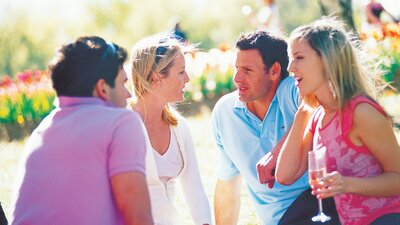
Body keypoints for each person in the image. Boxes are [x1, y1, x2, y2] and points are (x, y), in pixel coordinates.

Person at [9, 36, 153, 225]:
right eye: (123, 83)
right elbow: (139, 219)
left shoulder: (42, 129)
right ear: (102, 87)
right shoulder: (122, 122)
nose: (128, 94)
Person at [276, 17, 400, 225]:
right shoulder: (318, 116)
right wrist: (302, 114)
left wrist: (347, 184)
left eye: (298, 57)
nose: (290, 67)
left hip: (385, 218)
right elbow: (284, 175)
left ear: (327, 59)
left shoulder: (360, 113)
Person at [211, 30, 336, 225]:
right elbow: (227, 187)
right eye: (237, 68)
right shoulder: (224, 112)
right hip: (281, 219)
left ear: (275, 71)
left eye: (247, 70)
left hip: (319, 204)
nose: (237, 78)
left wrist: (275, 154)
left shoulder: (292, 90)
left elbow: (320, 104)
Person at [130, 34, 212, 225]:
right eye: (181, 72)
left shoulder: (179, 127)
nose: (188, 78)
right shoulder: (121, 124)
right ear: (157, 77)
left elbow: (195, 191)